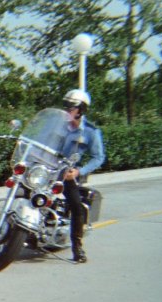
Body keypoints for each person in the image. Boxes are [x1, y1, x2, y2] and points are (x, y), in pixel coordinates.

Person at [59, 89, 105, 263]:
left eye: (71, 107)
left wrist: (79, 171)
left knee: (76, 206)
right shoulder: (58, 124)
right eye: (65, 106)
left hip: (67, 172)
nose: (67, 110)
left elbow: (98, 157)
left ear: (81, 110)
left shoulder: (91, 131)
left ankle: (77, 246)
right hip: (47, 167)